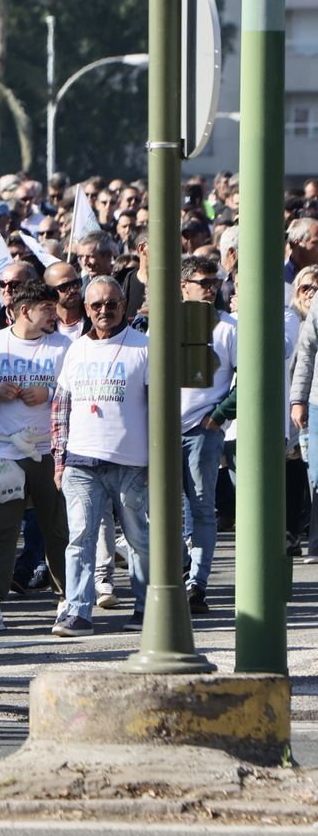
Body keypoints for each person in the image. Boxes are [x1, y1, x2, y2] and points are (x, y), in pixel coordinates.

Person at [0, 281, 72, 635]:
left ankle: (68, 600)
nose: (54, 315)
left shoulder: (63, 347)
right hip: (3, 454)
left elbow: (76, 392)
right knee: (1, 531)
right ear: (25, 311)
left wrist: (50, 392)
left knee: (57, 529)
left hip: (48, 452)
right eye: (47, 308)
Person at [52, 277, 152, 635]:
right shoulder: (76, 349)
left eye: (111, 304)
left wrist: (157, 461)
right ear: (86, 308)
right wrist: (59, 460)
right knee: (80, 538)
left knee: (139, 538)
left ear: (123, 305)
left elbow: (158, 409)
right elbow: (61, 406)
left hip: (133, 463)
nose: (104, 311)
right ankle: (77, 612)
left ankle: (147, 609)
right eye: (96, 305)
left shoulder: (144, 347)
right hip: (81, 461)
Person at [178, 255, 236, 614]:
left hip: (203, 429)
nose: (211, 288)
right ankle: (177, 570)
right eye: (203, 283)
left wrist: (218, 416)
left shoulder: (229, 327)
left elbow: (247, 377)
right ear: (184, 286)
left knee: (202, 507)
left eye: (214, 283)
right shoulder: (164, 324)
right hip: (164, 430)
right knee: (166, 507)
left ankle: (196, 584)